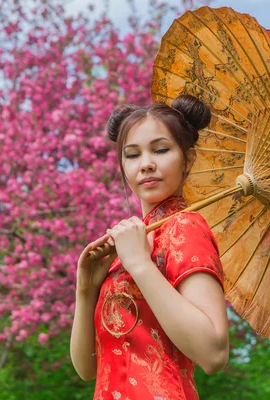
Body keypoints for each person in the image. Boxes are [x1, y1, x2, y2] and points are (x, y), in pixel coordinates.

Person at [70, 94, 229, 400]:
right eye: (132, 155)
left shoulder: (185, 228)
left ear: (188, 159)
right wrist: (86, 290)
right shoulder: (126, 246)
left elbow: (214, 352)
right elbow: (88, 369)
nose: (146, 165)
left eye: (160, 150)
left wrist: (140, 265)